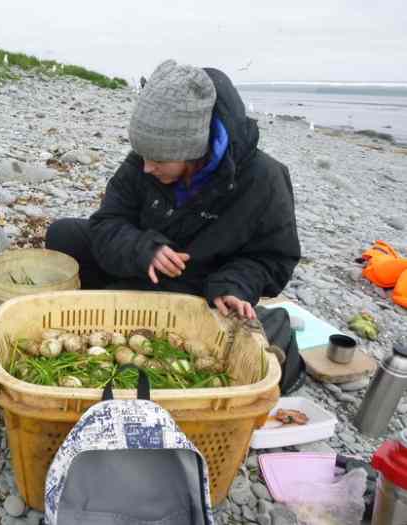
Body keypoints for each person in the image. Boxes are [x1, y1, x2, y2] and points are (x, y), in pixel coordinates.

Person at [46, 60, 303, 392]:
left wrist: (233, 285)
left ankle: (123, 300)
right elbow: (107, 222)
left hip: (200, 286)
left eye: (159, 161)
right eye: (143, 157)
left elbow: (273, 259)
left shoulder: (264, 179)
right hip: (143, 264)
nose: (147, 168)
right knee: (63, 235)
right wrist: (144, 250)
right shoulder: (145, 160)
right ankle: (120, 294)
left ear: (194, 151)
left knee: (148, 304)